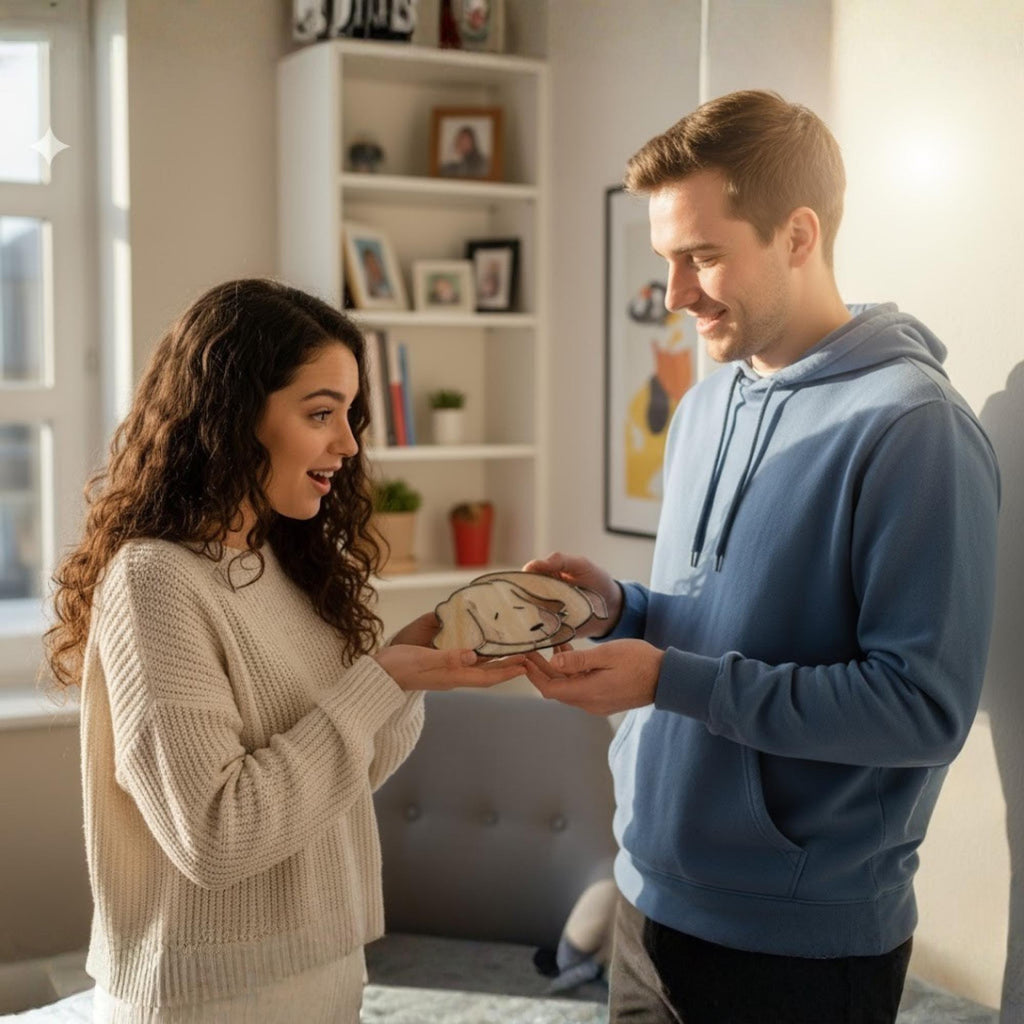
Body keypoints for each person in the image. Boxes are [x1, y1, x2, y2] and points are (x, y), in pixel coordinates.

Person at [523, 90, 1000, 1024]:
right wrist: (627, 609)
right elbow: (732, 623)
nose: (676, 296)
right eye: (666, 259)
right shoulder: (706, 404)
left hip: (796, 944)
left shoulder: (914, 428)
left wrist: (669, 679)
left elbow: (922, 708)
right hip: (644, 893)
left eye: (703, 256)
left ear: (798, 234)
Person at [45, 279, 525, 1023]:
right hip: (209, 1000)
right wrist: (377, 683)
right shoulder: (156, 582)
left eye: (350, 415)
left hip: (324, 973)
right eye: (321, 413)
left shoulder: (279, 560)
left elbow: (339, 778)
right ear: (236, 417)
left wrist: (406, 673)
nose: (348, 443)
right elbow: (216, 837)